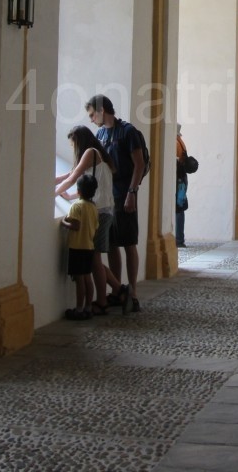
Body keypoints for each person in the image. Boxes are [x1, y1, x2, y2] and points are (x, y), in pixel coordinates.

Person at [55, 125, 125, 316]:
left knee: (93, 257)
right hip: (103, 210)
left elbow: (74, 177)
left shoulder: (90, 152)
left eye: (73, 144)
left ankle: (102, 302)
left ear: (80, 140)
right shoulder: (97, 152)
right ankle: (119, 290)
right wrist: (57, 184)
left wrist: (54, 192)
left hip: (100, 210)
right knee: (91, 258)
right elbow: (71, 174)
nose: (73, 148)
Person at [87, 94, 144, 313]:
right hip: (106, 197)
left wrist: (132, 192)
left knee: (129, 243)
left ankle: (134, 292)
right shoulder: (100, 134)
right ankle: (118, 291)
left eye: (93, 114)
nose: (92, 119)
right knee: (111, 244)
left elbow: (138, 164)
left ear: (102, 111)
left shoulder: (127, 132)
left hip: (124, 193)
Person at [59, 173, 99, 321]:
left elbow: (75, 225)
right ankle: (88, 307)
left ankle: (79, 308)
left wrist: (63, 223)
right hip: (89, 246)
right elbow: (95, 227)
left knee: (79, 279)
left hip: (77, 247)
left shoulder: (76, 206)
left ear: (78, 191)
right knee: (88, 277)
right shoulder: (94, 207)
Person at [175, 125, 189, 248]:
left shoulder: (175, 143)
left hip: (177, 179)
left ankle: (179, 239)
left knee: (178, 209)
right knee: (180, 207)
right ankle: (179, 238)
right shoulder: (181, 142)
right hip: (182, 178)